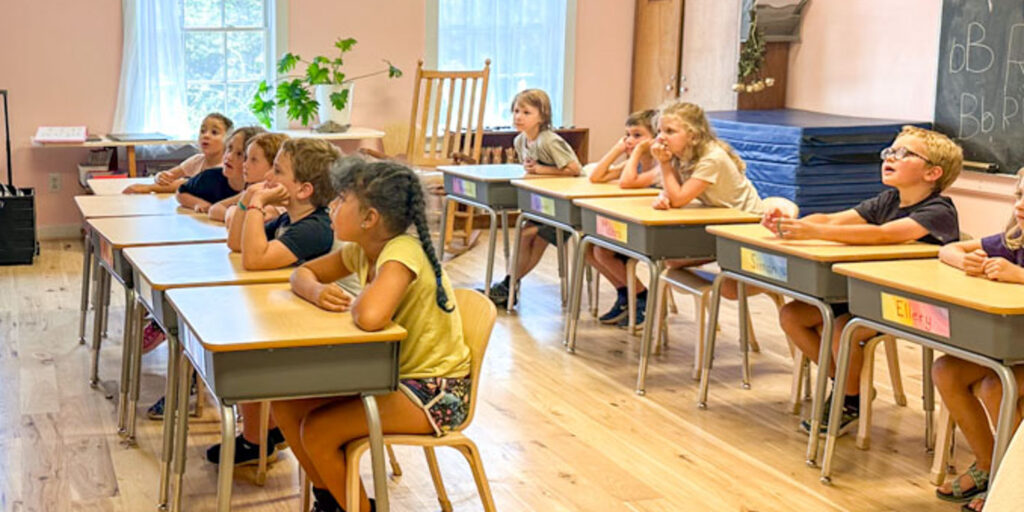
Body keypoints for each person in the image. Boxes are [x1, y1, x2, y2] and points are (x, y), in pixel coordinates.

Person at [272, 157, 471, 512]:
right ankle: (333, 501)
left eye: (341, 199)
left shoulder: (401, 252)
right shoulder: (361, 249)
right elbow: (302, 274)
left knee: (318, 431)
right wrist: (316, 292)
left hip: (435, 393)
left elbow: (370, 316)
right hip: (392, 377)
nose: (331, 206)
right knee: (285, 404)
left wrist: (355, 297)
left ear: (369, 219)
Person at [768, 125, 962, 435]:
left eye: (904, 153)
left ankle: (849, 399)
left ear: (932, 173)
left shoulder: (939, 211)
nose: (890, 157)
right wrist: (791, 224)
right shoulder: (888, 200)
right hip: (871, 294)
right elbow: (831, 219)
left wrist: (815, 232)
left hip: (912, 303)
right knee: (792, 315)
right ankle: (849, 386)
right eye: (890, 151)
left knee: (844, 328)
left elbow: (883, 235)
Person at [931, 171, 1024, 511]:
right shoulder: (1015, 239)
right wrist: (965, 261)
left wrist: (1020, 276)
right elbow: (949, 249)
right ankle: (987, 464)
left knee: (995, 387)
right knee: (946, 370)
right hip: (1015, 348)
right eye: (1018, 195)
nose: (1021, 206)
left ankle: (1010, 483)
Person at [486, 89, 581, 307]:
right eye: (516, 111)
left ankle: (508, 286)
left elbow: (574, 169)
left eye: (526, 112)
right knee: (523, 232)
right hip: (544, 204)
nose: (518, 117)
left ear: (542, 116)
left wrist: (540, 170)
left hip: (566, 205)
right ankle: (509, 287)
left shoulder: (549, 141)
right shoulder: (520, 141)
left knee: (531, 234)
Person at [585, 109, 662, 327]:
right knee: (591, 249)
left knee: (601, 251)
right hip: (632, 222)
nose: (630, 140)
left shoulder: (660, 165)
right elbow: (596, 176)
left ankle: (641, 296)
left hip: (652, 230)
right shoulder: (632, 163)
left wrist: (636, 152)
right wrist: (618, 149)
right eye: (627, 135)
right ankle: (627, 295)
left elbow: (627, 182)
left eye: (637, 135)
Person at [122, 112, 231, 194]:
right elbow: (170, 175)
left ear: (229, 140)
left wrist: (148, 187)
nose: (206, 135)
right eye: (202, 131)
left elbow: (185, 184)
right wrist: (160, 177)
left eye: (214, 132)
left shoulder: (226, 167)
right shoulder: (197, 160)